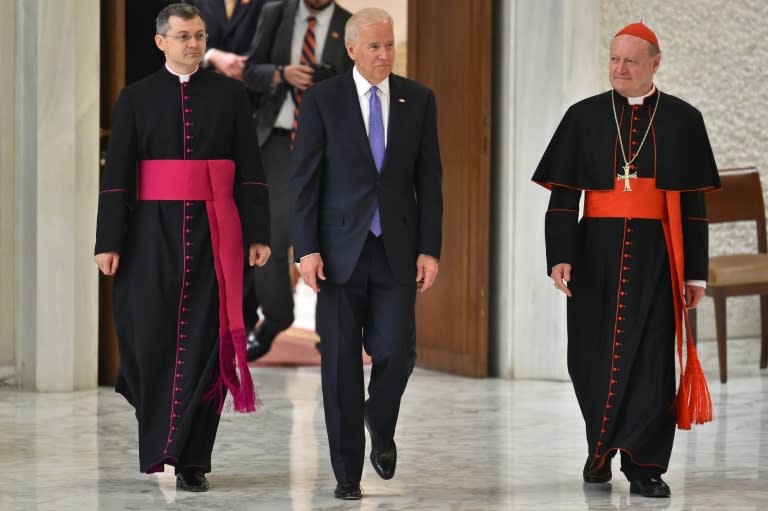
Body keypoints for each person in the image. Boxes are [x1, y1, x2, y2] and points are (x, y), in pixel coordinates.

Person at [532, 22, 719, 498]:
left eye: (630, 61)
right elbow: (562, 198)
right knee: (589, 357)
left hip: (659, 257)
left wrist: (695, 272)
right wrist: (560, 256)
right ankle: (600, 451)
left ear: (655, 63)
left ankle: (645, 466)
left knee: (654, 361)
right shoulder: (583, 116)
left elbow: (693, 208)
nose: (619, 68)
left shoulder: (683, 119)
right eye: (614, 59)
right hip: (595, 253)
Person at [94, 3, 271, 492]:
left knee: (206, 346)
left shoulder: (231, 96)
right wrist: (108, 241)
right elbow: (117, 178)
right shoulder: (135, 98)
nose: (193, 44)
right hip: (151, 234)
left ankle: (194, 459)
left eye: (199, 35)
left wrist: (259, 234)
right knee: (147, 338)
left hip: (217, 234)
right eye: (183, 36)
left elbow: (250, 168)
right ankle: (156, 446)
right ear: (161, 42)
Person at [291, 7, 443, 500]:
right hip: (337, 253)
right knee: (338, 364)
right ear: (351, 48)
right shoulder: (321, 101)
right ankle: (346, 474)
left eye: (390, 45)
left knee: (397, 352)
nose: (384, 55)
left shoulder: (418, 99)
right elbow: (305, 182)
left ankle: (380, 422)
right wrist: (307, 249)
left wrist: (430, 249)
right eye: (374, 46)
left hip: (397, 249)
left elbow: (430, 183)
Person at [241, 0, 353, 360]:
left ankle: (329, 333)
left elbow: (360, 86)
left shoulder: (348, 24)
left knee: (331, 237)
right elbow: (250, 71)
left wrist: (330, 79)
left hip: (330, 144)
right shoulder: (275, 13)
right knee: (268, 238)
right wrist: (281, 73)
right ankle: (275, 318)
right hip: (277, 139)